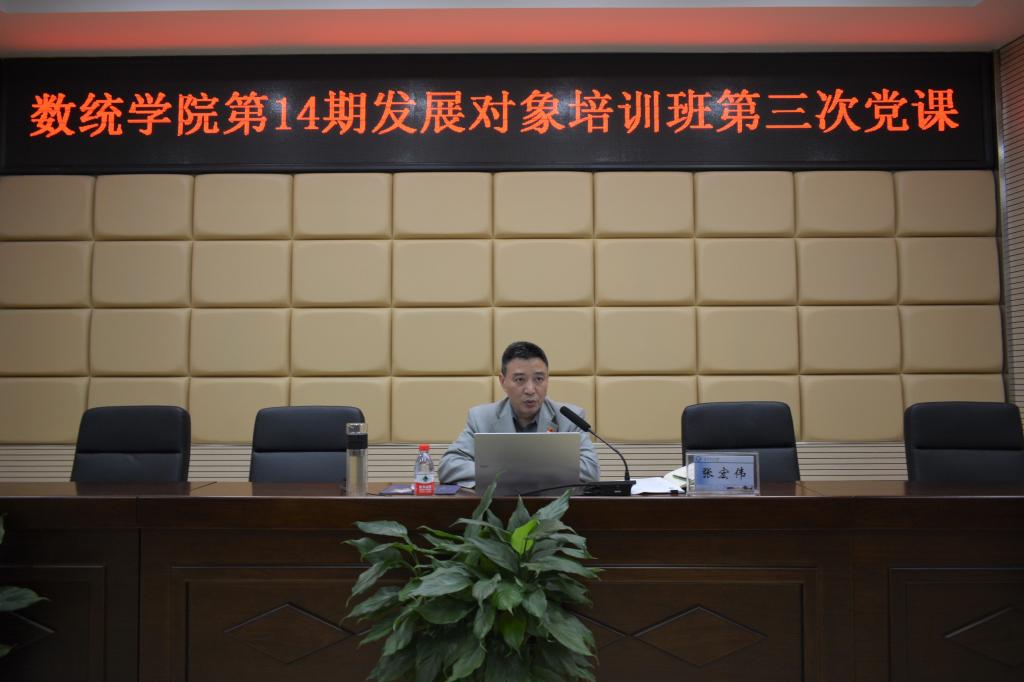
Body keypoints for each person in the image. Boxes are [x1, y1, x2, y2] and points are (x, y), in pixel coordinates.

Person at [439, 340, 600, 487]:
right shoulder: (481, 418)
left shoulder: (569, 418)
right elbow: (449, 466)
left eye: (539, 379)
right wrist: (520, 473)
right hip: (499, 506)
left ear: (547, 380)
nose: (530, 390)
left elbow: (590, 471)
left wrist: (507, 472)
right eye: (520, 380)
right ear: (503, 381)